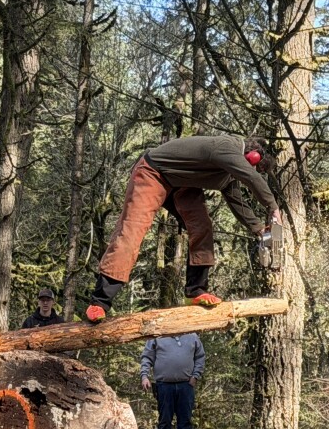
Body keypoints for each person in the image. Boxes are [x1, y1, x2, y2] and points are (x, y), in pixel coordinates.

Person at [85, 134, 281, 322]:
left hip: (183, 183)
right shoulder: (227, 147)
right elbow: (250, 177)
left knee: (202, 228)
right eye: (256, 168)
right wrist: (273, 207)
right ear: (251, 156)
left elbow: (238, 203)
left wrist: (259, 229)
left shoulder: (227, 174)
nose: (255, 172)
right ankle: (100, 302)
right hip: (153, 172)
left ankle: (195, 290)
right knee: (132, 230)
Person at [140, 333, 205, 429]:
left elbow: (200, 357)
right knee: (164, 417)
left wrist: (196, 375)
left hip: (186, 384)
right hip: (164, 384)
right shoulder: (157, 336)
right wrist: (144, 376)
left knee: (185, 418)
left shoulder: (192, 336)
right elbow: (147, 357)